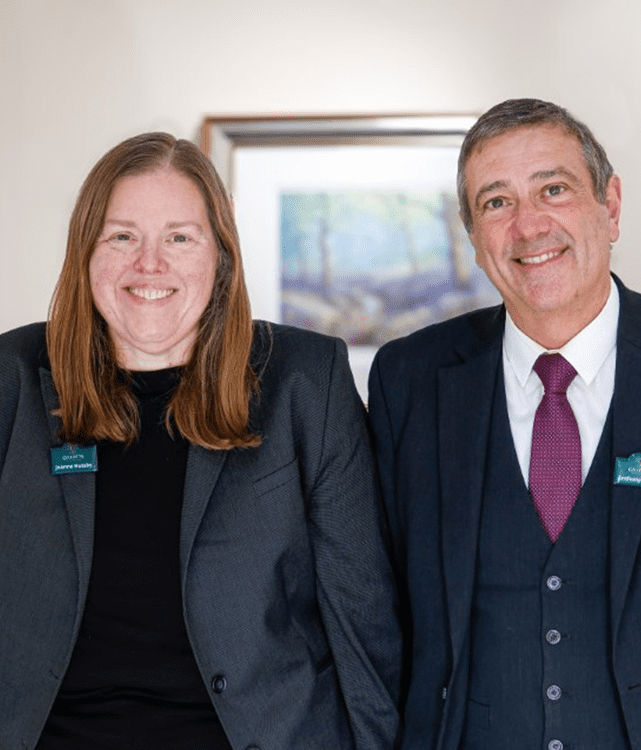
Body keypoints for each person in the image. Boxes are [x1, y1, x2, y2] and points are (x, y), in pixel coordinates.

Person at [368, 98, 641, 750]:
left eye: (554, 189)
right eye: (496, 202)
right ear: (474, 238)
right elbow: (378, 608)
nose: (528, 226)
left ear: (611, 206)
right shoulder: (409, 381)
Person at [0, 132, 401, 750]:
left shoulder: (305, 380)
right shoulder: (13, 376)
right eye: (121, 236)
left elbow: (362, 616)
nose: (149, 264)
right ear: (86, 252)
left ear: (220, 254)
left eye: (179, 238)